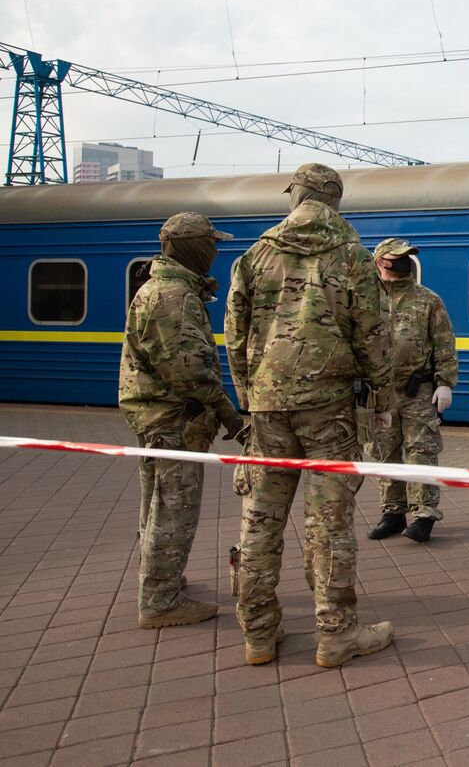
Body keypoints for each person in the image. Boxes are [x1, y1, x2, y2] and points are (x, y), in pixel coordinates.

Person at [225, 162, 398, 668]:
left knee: (259, 522)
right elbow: (374, 338)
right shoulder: (352, 257)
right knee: (328, 526)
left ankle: (259, 635)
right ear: (335, 202)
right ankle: (336, 634)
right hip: (329, 412)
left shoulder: (255, 256)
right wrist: (381, 404)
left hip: (267, 410)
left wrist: (249, 397)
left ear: (297, 195)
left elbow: (234, 338)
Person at [119, 212, 245, 629]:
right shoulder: (173, 295)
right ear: (193, 246)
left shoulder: (170, 289)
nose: (214, 251)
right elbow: (189, 370)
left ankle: (161, 582)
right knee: (174, 508)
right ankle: (160, 600)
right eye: (210, 243)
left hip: (162, 415)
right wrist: (230, 415)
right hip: (172, 419)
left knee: (158, 505)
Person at [365, 237, 458, 543]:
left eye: (408, 256)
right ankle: (392, 512)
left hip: (417, 389)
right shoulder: (365, 299)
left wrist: (445, 382)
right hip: (379, 392)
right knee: (385, 452)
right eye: (398, 257)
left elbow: (444, 341)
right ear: (381, 261)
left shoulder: (427, 299)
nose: (405, 261)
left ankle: (424, 514)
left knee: (422, 451)